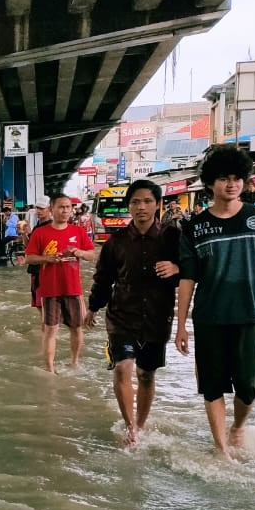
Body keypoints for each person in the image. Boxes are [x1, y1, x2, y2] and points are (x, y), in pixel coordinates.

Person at [175, 145, 255, 457]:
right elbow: (187, 278)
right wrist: (180, 325)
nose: (231, 184)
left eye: (237, 178)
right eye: (223, 178)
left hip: (249, 314)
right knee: (212, 386)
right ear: (210, 182)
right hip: (208, 317)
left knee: (248, 387)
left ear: (245, 181)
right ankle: (220, 449)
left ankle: (237, 428)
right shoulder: (194, 227)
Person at [85, 180, 181, 446]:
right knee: (123, 367)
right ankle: (131, 429)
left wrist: (176, 269)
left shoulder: (171, 237)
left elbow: (192, 271)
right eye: (136, 202)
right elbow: (103, 279)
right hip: (121, 317)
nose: (141, 207)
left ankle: (141, 423)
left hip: (157, 318)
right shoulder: (115, 243)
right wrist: (93, 307)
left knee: (146, 374)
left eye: (147, 201)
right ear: (129, 206)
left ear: (158, 204)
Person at [25, 195, 96, 372]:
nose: (65, 210)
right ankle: (49, 369)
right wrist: (47, 258)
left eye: (68, 207)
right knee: (50, 331)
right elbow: (29, 258)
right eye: (61, 207)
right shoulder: (40, 232)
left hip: (73, 289)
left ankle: (75, 362)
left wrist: (79, 252)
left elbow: (92, 254)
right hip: (49, 290)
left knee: (77, 328)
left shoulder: (78, 231)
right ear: (52, 208)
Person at [26, 196, 52, 309]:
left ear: (49, 209)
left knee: (45, 308)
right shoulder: (37, 227)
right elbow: (28, 247)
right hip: (36, 271)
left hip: (45, 272)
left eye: (42, 208)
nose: (39, 211)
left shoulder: (50, 227)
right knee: (40, 307)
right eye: (37, 208)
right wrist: (24, 234)